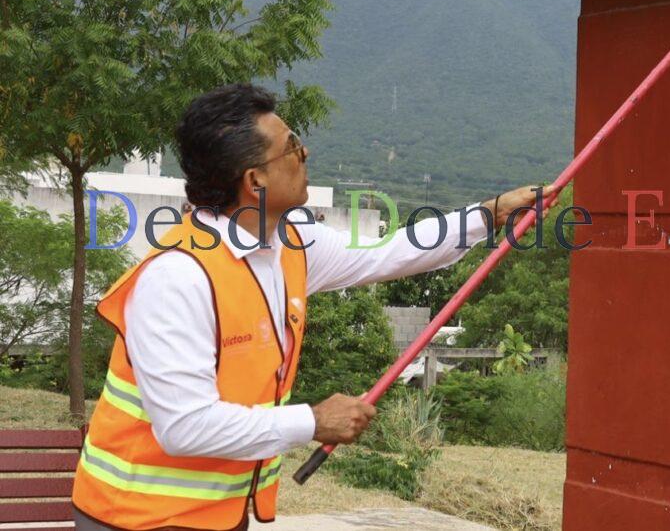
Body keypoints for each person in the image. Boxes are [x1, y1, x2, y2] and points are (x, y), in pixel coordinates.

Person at [71, 83, 558, 530]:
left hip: (215, 517)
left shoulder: (289, 245)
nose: (306, 154)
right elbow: (185, 427)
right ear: (255, 180)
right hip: (131, 517)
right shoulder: (178, 277)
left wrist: (489, 214)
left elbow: (388, 250)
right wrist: (313, 421)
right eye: (292, 147)